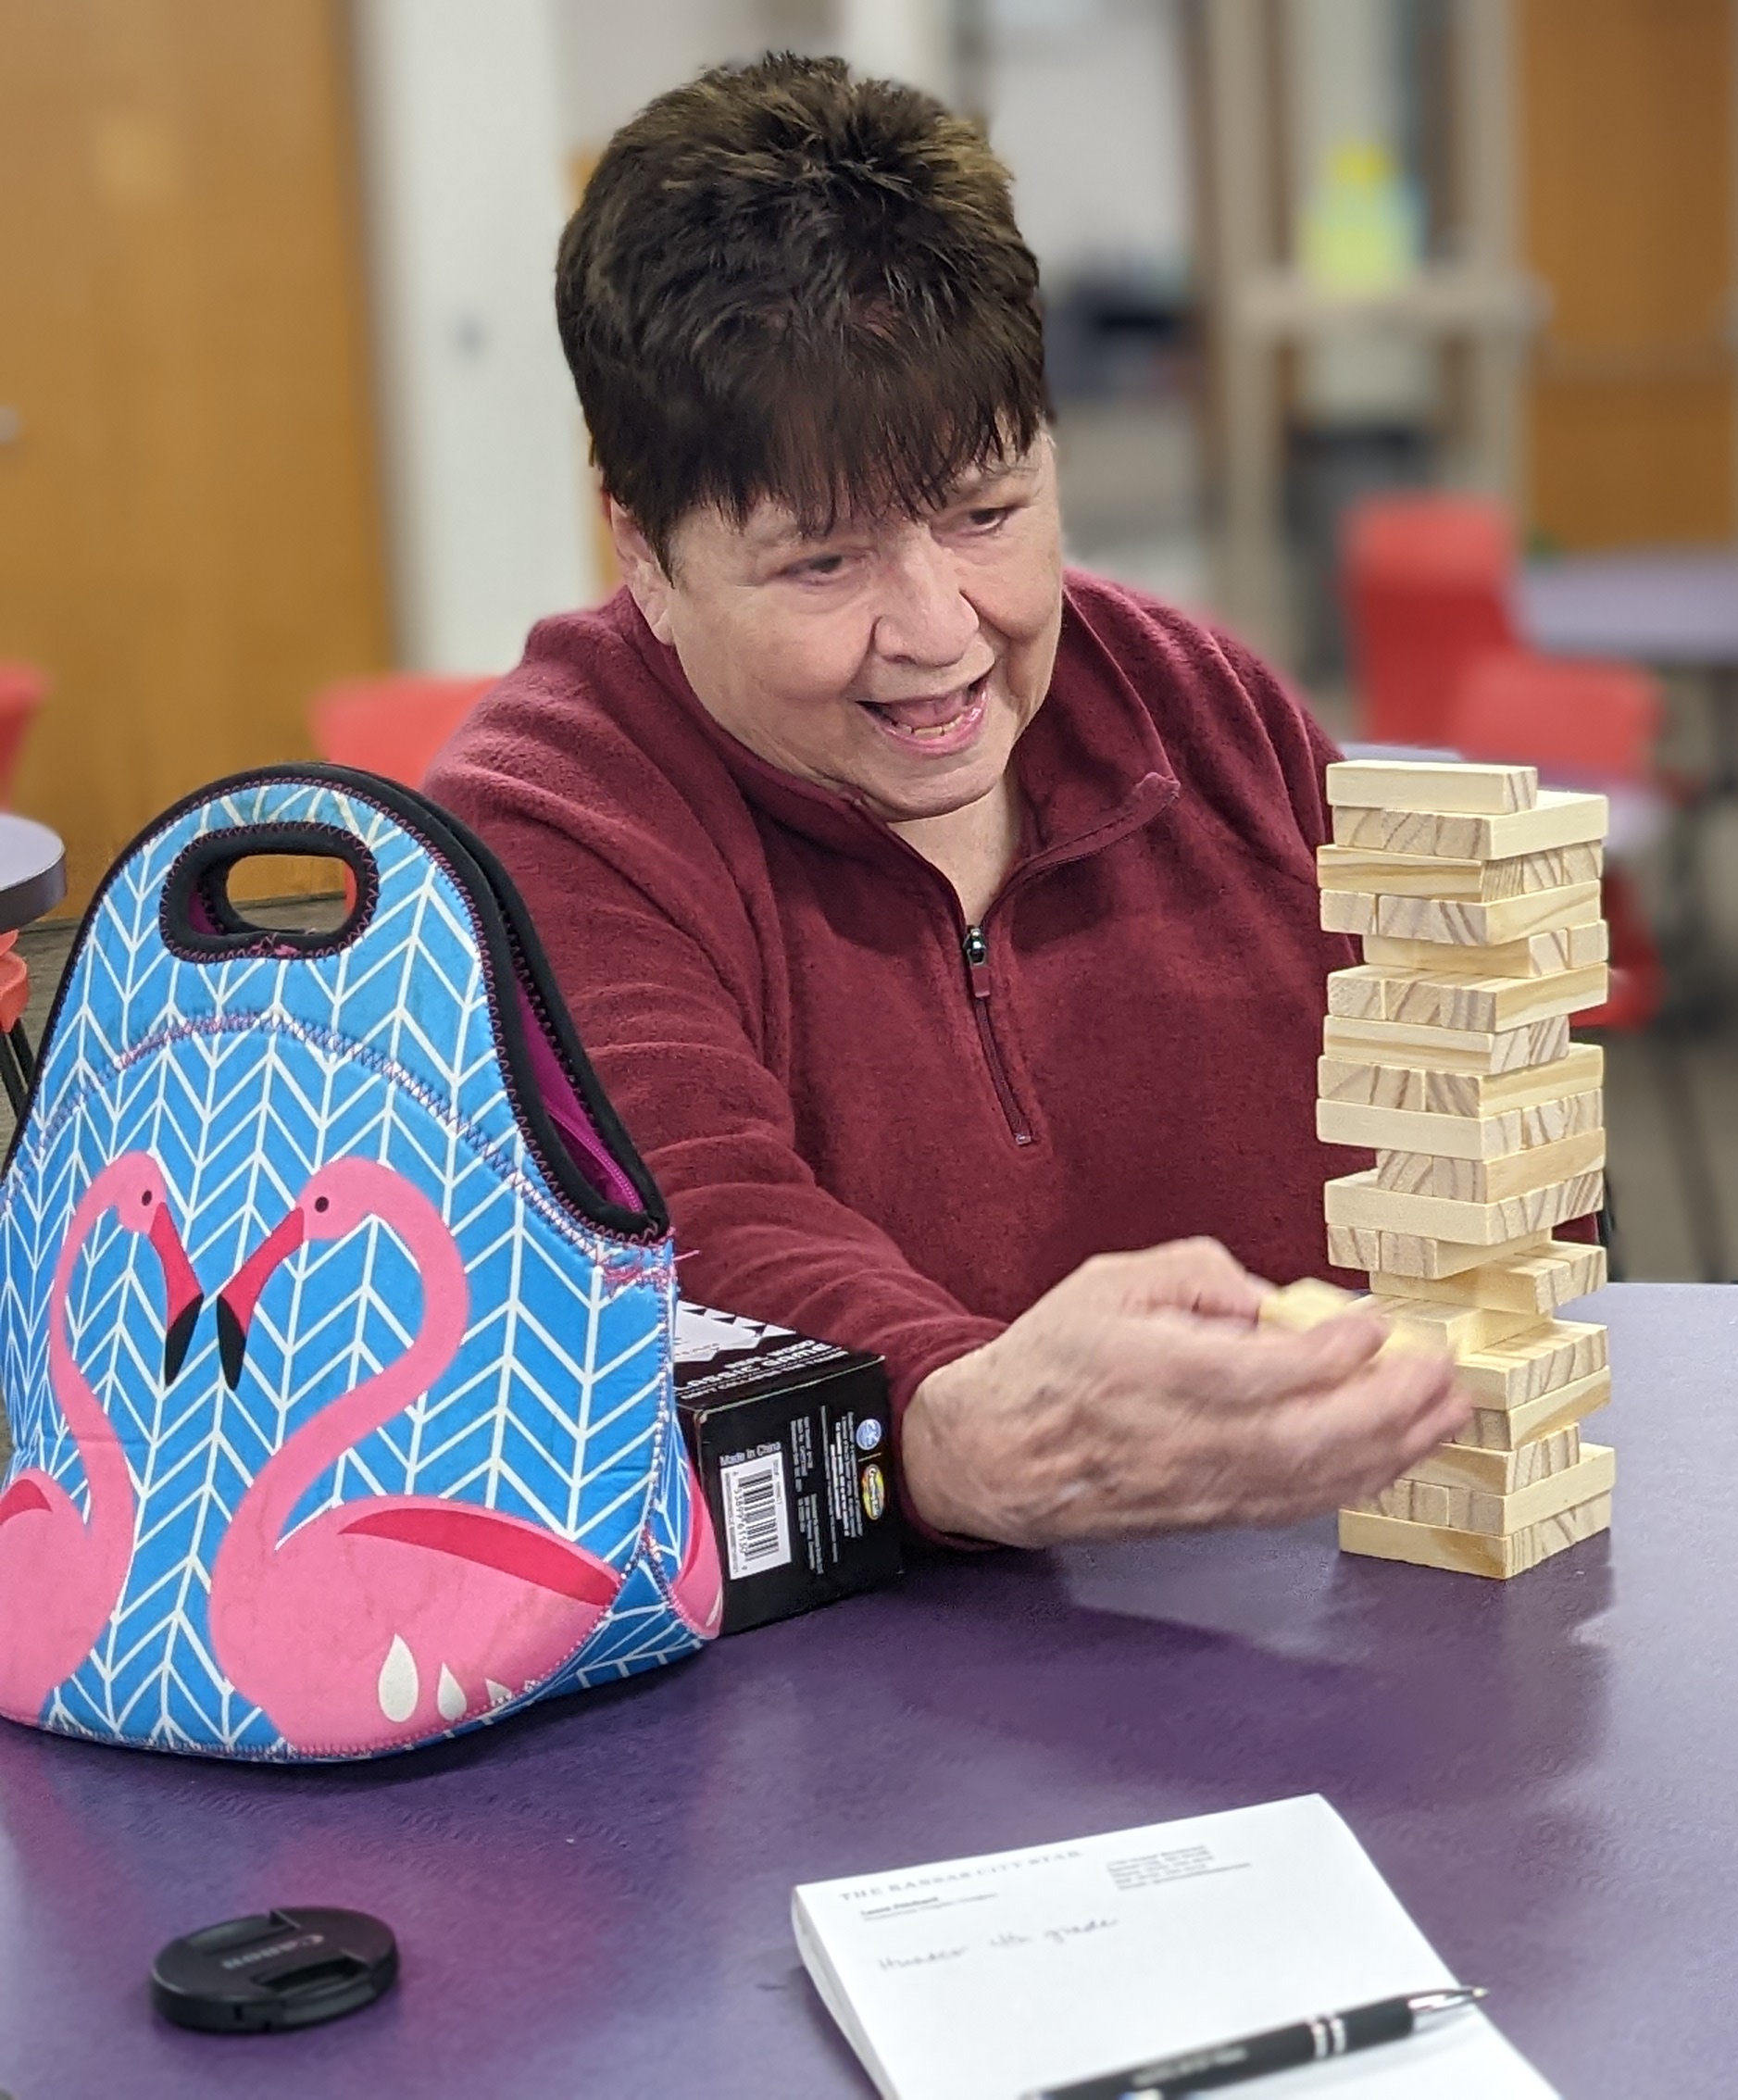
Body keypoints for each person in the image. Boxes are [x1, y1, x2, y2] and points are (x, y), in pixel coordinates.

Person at [431, 56, 1467, 1547]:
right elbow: (689, 1237)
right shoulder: (550, 820)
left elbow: (1459, 1122)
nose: (937, 630)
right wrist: (944, 1423)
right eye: (822, 563)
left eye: (986, 514)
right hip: (826, 1708)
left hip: (1321, 1625)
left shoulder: (1214, 716)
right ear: (643, 548)